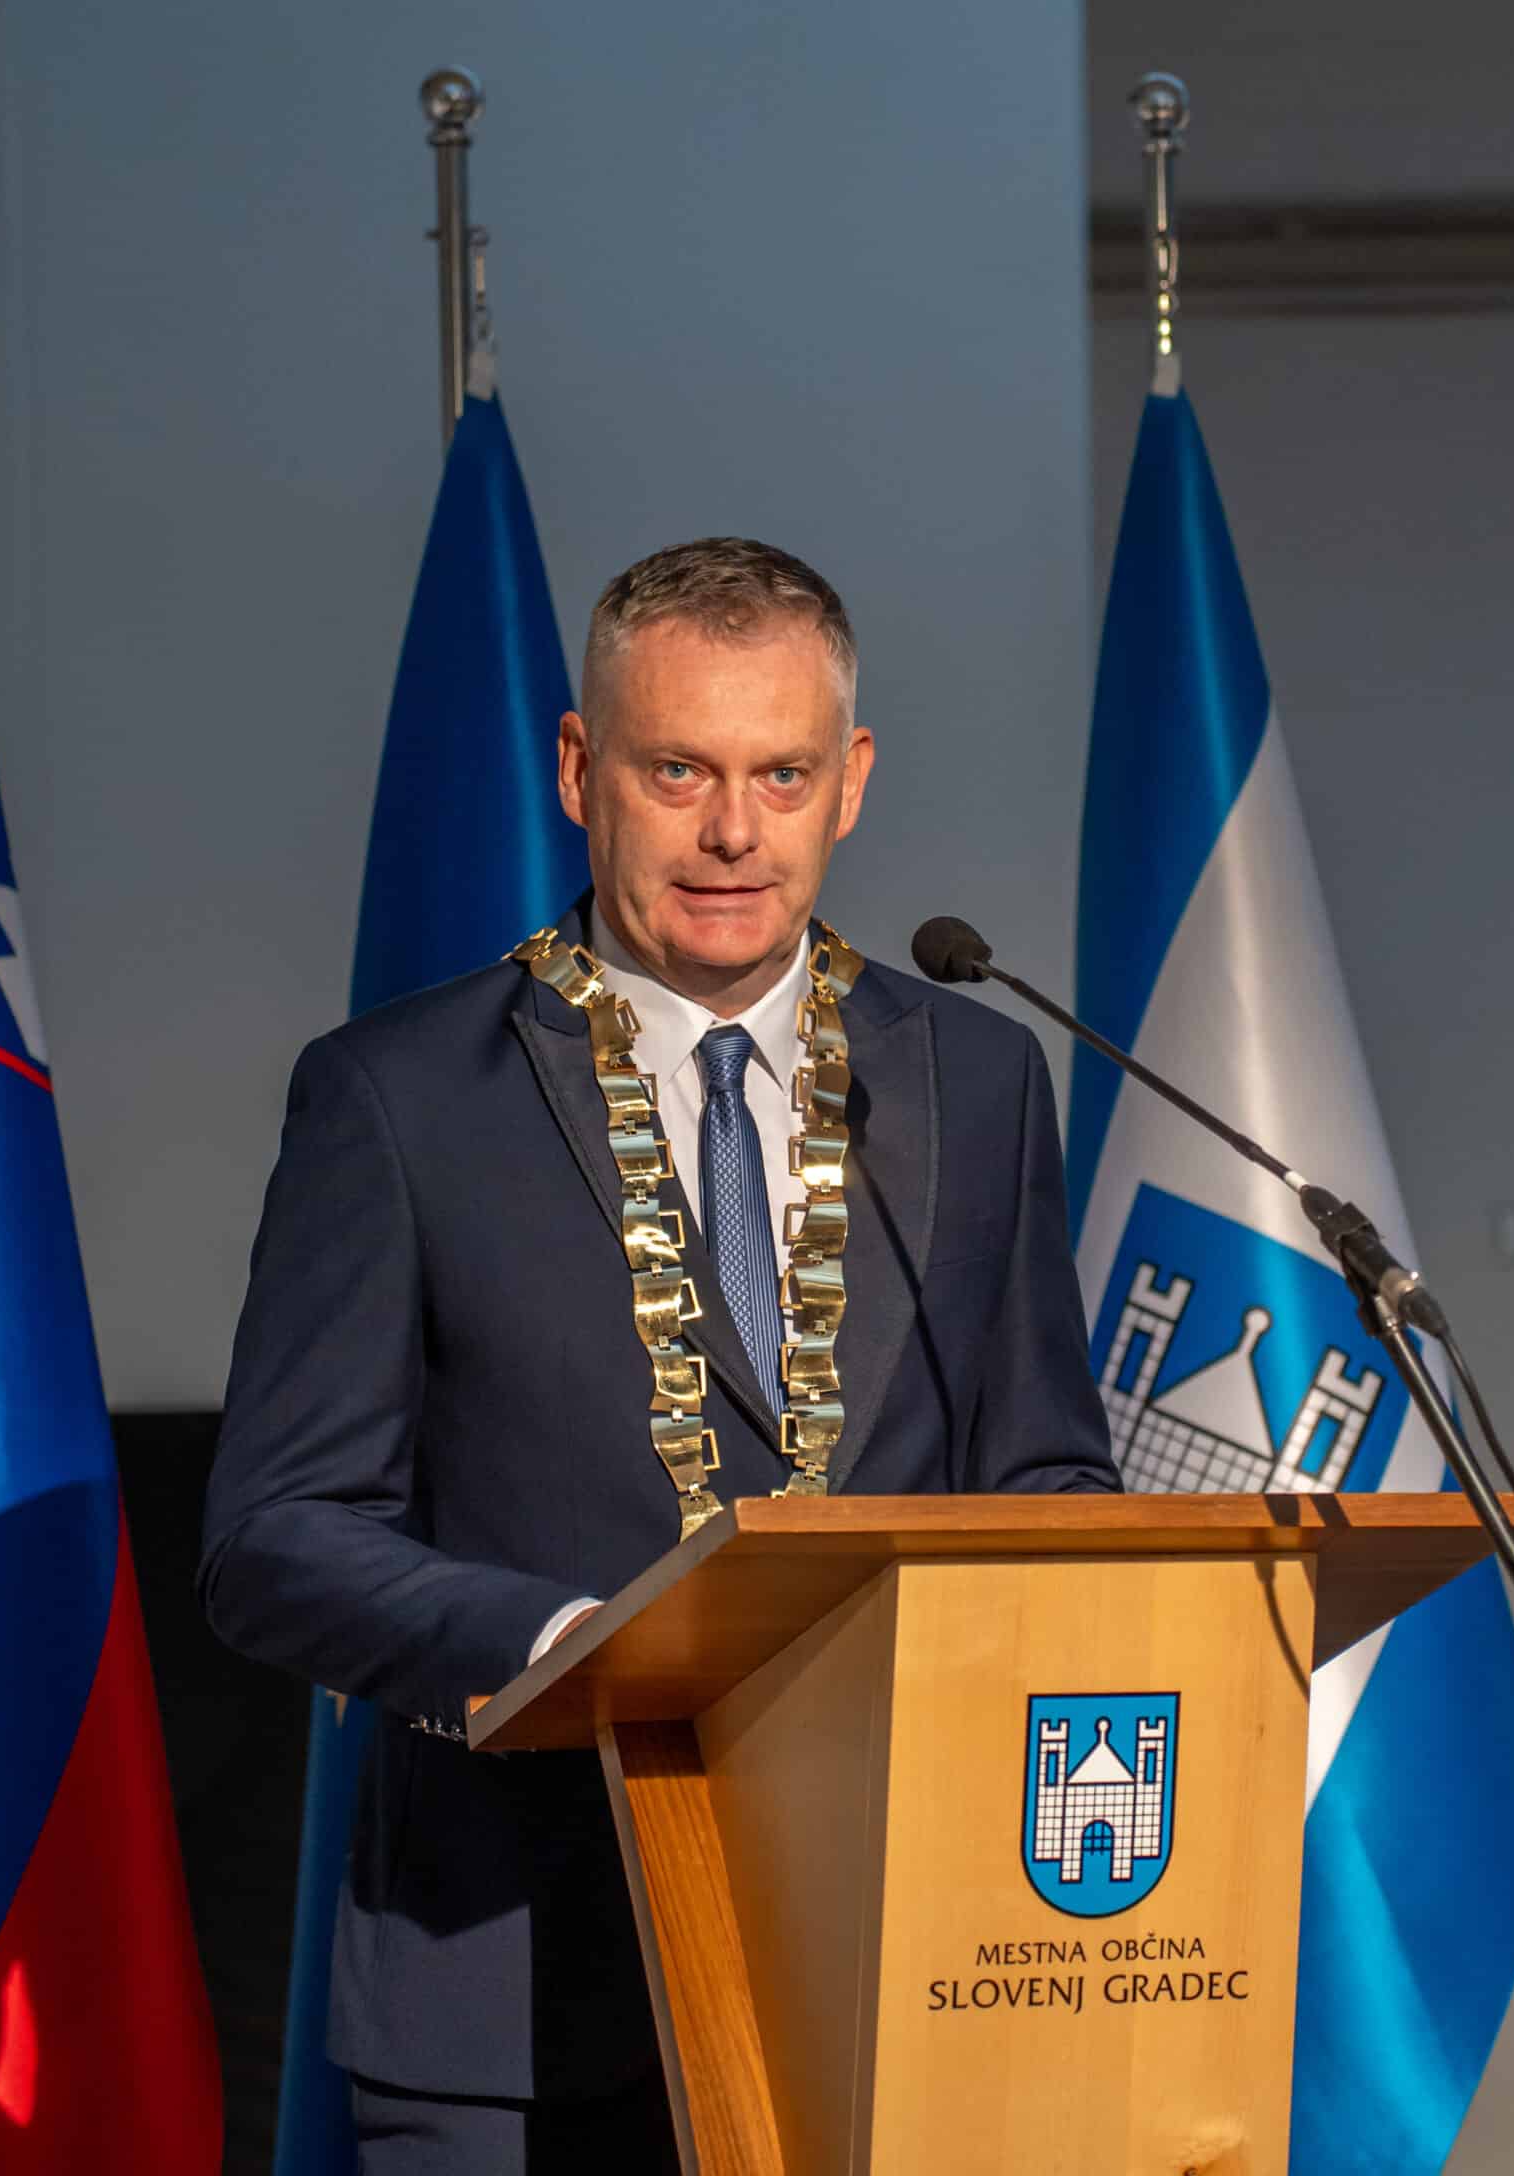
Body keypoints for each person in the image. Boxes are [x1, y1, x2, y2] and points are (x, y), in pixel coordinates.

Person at [200, 537, 1120, 2172]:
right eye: (678, 770)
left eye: (782, 775)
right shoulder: (397, 1097)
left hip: (903, 1977)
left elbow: (1044, 1471)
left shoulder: (977, 1081)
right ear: (581, 770)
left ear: (851, 783)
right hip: (513, 2002)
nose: (732, 832)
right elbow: (276, 1537)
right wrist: (573, 1647)